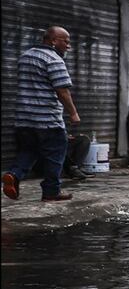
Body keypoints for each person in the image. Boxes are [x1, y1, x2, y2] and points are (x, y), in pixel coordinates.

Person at [2, 26, 81, 201]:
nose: (68, 46)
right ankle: (51, 192)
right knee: (56, 154)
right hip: (47, 119)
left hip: (23, 118)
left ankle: (14, 175)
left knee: (29, 151)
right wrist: (73, 113)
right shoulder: (54, 60)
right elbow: (62, 91)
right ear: (53, 41)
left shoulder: (26, 55)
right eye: (65, 41)